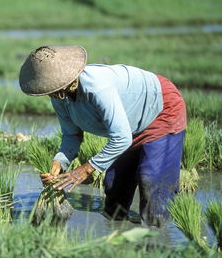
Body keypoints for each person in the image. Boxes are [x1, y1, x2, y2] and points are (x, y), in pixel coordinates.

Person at [18, 46, 187, 227]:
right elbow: (71, 136)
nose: (49, 93)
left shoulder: (97, 88)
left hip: (160, 110)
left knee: (151, 180)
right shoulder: (59, 97)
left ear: (64, 80)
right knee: (114, 186)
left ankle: (156, 236)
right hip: (129, 125)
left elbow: (121, 139)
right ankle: (117, 235)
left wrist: (85, 170)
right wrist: (59, 163)